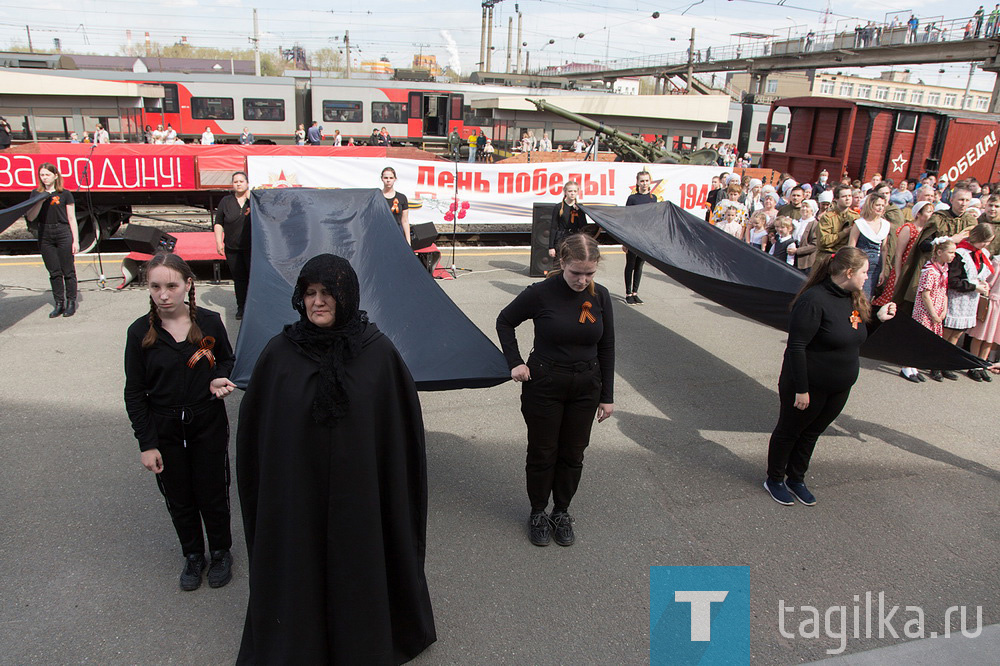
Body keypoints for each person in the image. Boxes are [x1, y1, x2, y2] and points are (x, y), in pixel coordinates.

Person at [235, 254, 436, 664]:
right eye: (310, 293)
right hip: (298, 495)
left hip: (360, 496)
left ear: (347, 296)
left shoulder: (378, 354)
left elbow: (400, 437)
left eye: (328, 293)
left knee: (357, 566)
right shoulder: (280, 354)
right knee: (299, 563)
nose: (318, 302)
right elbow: (259, 433)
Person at [123, 252, 237, 591]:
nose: (163, 294)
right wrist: (147, 444)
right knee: (179, 496)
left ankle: (219, 551)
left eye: (171, 285)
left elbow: (228, 360)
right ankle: (193, 554)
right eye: (155, 286)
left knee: (213, 491)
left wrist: (219, 377)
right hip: (165, 429)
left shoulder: (211, 323)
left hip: (207, 424)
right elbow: (134, 393)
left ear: (188, 284)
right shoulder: (139, 333)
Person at [496, 234, 615, 546]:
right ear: (562, 262)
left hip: (586, 385)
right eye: (576, 272)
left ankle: (561, 511)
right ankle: (538, 511)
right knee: (543, 451)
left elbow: (607, 346)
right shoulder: (540, 293)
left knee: (573, 453)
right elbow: (505, 321)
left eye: (589, 273)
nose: (582, 280)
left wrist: (608, 396)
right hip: (545, 384)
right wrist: (515, 362)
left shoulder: (600, 296)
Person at [764, 248, 897, 506]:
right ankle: (775, 479)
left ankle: (796, 479)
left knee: (812, 432)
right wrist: (801, 389)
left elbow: (854, 335)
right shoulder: (814, 300)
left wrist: (878, 320)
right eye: (864, 272)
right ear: (848, 272)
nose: (866, 278)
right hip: (807, 386)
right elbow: (796, 347)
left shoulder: (852, 297)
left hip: (839, 385)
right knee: (790, 431)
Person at [25, 163, 80, 317]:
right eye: (42, 175)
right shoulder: (36, 193)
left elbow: (71, 218)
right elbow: (31, 217)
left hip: (62, 232)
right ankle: (59, 303)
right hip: (45, 233)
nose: (44, 178)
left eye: (47, 174)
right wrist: (40, 201)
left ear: (55, 176)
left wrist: (75, 240)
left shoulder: (65, 194)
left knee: (68, 270)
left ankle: (71, 302)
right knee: (54, 271)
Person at [943, 223, 995, 346]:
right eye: (985, 241)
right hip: (956, 300)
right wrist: (974, 286)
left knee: (956, 336)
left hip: (970, 303)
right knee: (946, 334)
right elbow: (953, 281)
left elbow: (978, 275)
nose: (986, 244)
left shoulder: (983, 254)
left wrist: (983, 284)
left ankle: (947, 361)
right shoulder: (961, 253)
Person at [914, 239, 956, 383]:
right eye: (950, 252)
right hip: (926, 310)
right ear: (939, 252)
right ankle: (911, 365)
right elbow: (925, 295)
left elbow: (944, 290)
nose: (953, 256)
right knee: (921, 338)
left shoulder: (944, 269)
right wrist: (932, 314)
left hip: (938, 309)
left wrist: (944, 309)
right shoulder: (930, 270)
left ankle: (933, 365)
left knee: (934, 338)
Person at [213, 172, 252, 320]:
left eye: (242, 181)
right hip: (232, 248)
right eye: (235, 181)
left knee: (252, 278)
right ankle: (241, 307)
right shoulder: (226, 201)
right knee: (239, 279)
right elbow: (218, 223)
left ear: (247, 183)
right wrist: (218, 242)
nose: (238, 184)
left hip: (251, 248)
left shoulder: (253, 200)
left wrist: (251, 200)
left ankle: (253, 306)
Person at [847, 193, 890, 299]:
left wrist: (883, 270)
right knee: (858, 295)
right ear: (871, 205)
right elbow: (851, 247)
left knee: (868, 296)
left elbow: (884, 249)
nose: (880, 208)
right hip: (860, 264)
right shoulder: (859, 224)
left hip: (875, 266)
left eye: (882, 205)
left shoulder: (885, 224)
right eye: (877, 205)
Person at [624, 170, 657, 305]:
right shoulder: (632, 199)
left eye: (646, 181)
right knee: (630, 264)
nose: (644, 183)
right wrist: (624, 240)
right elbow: (626, 219)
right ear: (637, 182)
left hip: (646, 237)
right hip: (633, 236)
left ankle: (635, 293)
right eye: (642, 181)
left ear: (650, 182)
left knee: (639, 265)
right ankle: (628, 293)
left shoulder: (653, 198)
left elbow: (653, 218)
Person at [968, 246, 1000, 381]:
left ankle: (982, 364)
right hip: (993, 301)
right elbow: (989, 280)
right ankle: (973, 365)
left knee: (991, 337)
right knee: (980, 335)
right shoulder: (998, 261)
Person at [549, 181, 587, 262]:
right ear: (565, 192)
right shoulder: (558, 207)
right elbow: (553, 227)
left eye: (575, 191)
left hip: (574, 237)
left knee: (573, 262)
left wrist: (579, 212)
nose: (572, 193)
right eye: (570, 191)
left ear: (577, 192)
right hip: (561, 237)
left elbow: (583, 226)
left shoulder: (580, 207)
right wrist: (551, 247)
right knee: (559, 262)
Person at [818, 185, 858, 255]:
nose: (848, 198)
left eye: (849, 196)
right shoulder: (827, 217)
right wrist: (844, 233)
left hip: (847, 255)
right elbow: (823, 241)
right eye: (844, 196)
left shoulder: (856, 216)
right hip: (829, 256)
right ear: (836, 199)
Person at [378, 166, 412, 244]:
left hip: (397, 233)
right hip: (381, 233)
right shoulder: (377, 196)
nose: (388, 180)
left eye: (391, 178)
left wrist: (408, 241)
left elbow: (405, 221)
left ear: (395, 179)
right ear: (382, 179)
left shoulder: (402, 197)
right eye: (386, 178)